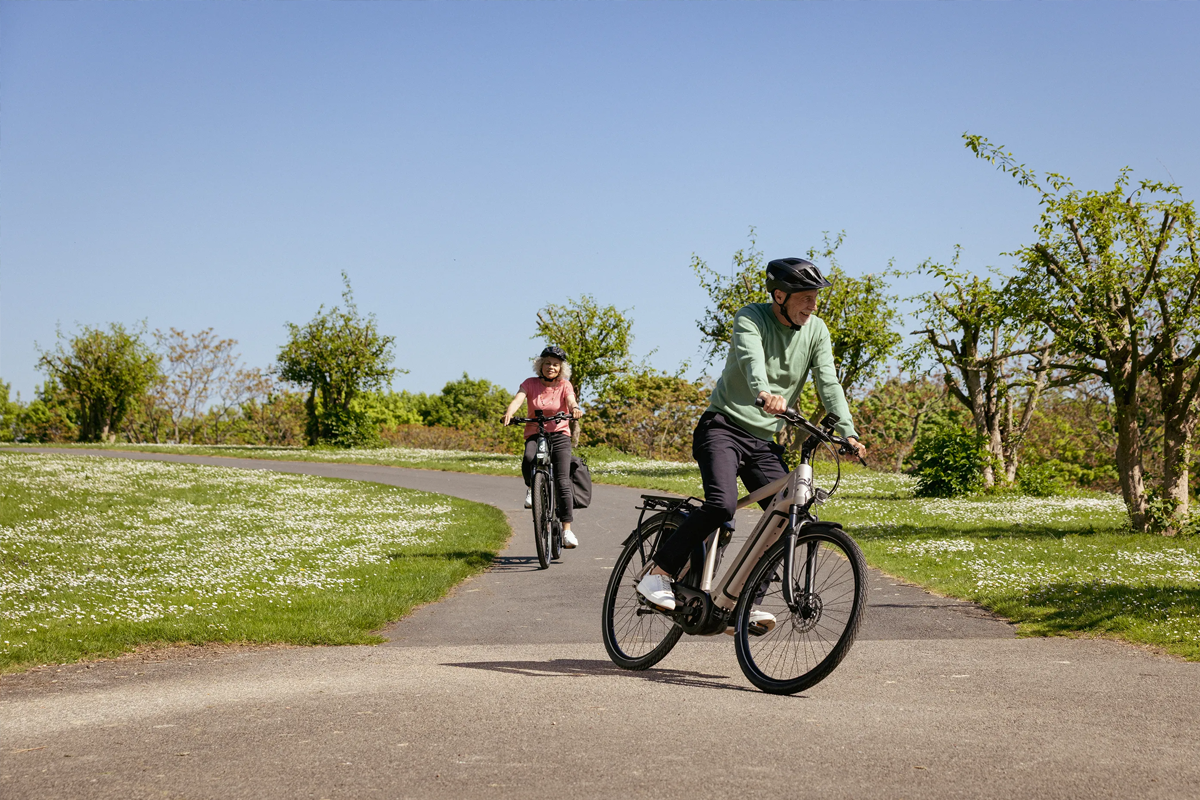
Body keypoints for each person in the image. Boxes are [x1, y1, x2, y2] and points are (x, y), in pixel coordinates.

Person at [635, 257, 867, 630]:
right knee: (721, 506)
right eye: (805, 297)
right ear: (780, 295)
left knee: (788, 517)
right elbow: (749, 357)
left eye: (815, 298)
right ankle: (658, 572)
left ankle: (745, 601)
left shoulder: (817, 331)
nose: (813, 305)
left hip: (763, 440)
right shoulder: (751, 316)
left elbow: (829, 382)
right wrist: (764, 391)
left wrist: (848, 431)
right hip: (722, 428)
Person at [502, 345, 584, 548]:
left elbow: (571, 401)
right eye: (547, 363)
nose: (551, 367)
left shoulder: (565, 385)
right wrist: (509, 413)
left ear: (561, 368)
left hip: (559, 434)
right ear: (540, 365)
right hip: (536, 432)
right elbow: (518, 399)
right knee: (529, 458)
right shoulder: (530, 383)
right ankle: (532, 488)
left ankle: (567, 531)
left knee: (563, 481)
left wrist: (575, 409)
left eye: (555, 365)